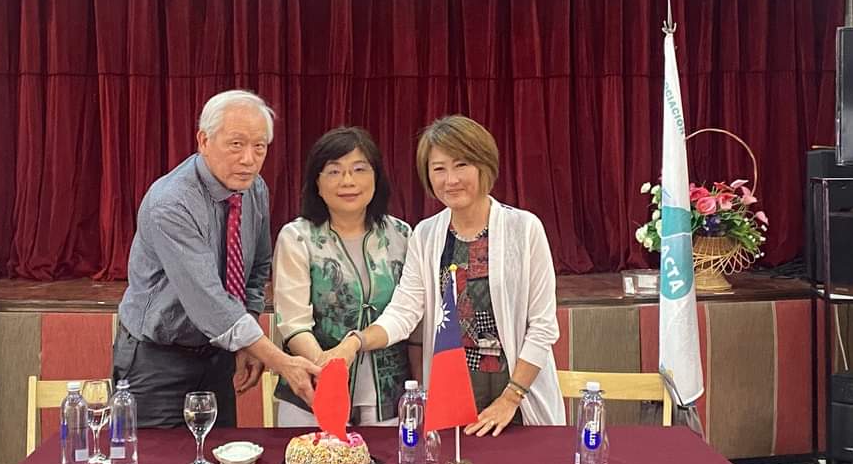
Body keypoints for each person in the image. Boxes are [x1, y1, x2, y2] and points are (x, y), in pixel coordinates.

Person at [318, 115, 565, 434]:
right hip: (452, 388)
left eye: (461, 165)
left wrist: (511, 397)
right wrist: (357, 341)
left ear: (484, 165)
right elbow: (405, 310)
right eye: (439, 169)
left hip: (518, 391)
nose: (451, 180)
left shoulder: (524, 228)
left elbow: (543, 326)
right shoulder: (426, 234)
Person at [114, 90, 319, 428]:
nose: (249, 159)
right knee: (154, 461)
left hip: (218, 354)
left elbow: (255, 271)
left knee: (219, 455)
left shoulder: (254, 189)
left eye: (260, 147)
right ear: (204, 141)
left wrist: (247, 343)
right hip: (157, 359)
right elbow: (209, 302)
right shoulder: (171, 203)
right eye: (236, 144)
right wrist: (282, 362)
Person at [273, 127, 414, 427]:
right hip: (312, 392)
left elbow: (411, 313)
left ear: (376, 177)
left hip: (389, 395)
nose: (347, 181)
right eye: (334, 172)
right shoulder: (297, 237)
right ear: (317, 182)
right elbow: (293, 323)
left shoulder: (401, 235)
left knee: (387, 459)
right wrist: (329, 374)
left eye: (359, 169)